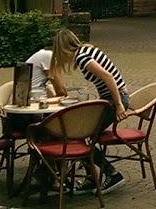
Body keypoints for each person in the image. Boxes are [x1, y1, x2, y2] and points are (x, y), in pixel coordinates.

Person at [50, 28, 130, 194]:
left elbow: (108, 77)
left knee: (82, 136)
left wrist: (119, 105)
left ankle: (112, 174)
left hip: (115, 100)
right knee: (85, 135)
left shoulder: (82, 57)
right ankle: (92, 178)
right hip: (113, 98)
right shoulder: (87, 49)